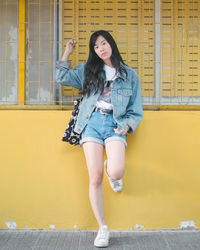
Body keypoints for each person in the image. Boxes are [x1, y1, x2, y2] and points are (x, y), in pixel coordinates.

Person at [56, 30, 143, 248]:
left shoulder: (130, 75)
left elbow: (135, 110)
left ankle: (110, 169)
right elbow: (62, 78)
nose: (101, 48)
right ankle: (102, 228)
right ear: (93, 51)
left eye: (103, 43)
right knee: (94, 178)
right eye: (96, 46)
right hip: (91, 123)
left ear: (111, 44)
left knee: (116, 172)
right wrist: (67, 53)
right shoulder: (89, 70)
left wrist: (129, 125)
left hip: (115, 125)